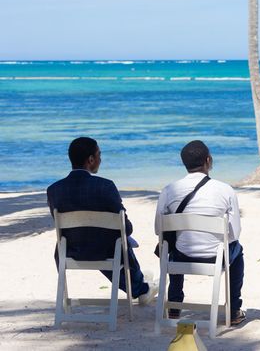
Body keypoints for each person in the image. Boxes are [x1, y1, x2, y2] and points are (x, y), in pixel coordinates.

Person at [47, 137, 155, 305]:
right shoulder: (105, 186)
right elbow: (125, 227)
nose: (100, 159)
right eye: (99, 155)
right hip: (104, 252)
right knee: (119, 240)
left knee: (108, 240)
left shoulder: (54, 190)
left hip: (70, 251)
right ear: (91, 159)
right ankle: (140, 287)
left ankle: (139, 282)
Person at [155, 140, 246, 325]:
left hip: (182, 257)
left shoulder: (169, 190)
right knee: (238, 251)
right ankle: (234, 310)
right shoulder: (225, 190)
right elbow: (234, 233)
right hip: (215, 257)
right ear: (208, 160)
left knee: (173, 248)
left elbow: (159, 230)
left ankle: (174, 307)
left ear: (184, 163)